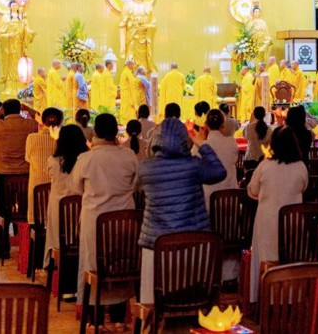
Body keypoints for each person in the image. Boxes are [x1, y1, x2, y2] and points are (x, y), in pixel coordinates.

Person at [136, 118, 226, 304]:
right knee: (190, 298)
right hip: (193, 243)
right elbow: (219, 171)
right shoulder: (194, 165)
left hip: (156, 244)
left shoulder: (145, 168)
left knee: (155, 302)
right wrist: (201, 144)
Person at [71, 113, 139, 325]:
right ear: (116, 132)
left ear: (95, 132)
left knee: (93, 267)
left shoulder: (86, 159)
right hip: (125, 222)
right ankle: (119, 318)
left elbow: (76, 187)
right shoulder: (129, 156)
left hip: (94, 222)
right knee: (121, 266)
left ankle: (95, 319)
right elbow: (137, 184)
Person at [247, 128, 308, 303]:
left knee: (266, 258)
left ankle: (266, 298)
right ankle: (291, 297)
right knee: (291, 257)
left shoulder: (265, 166)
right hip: (293, 223)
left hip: (267, 221)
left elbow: (253, 190)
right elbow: (304, 187)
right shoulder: (301, 166)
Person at [0, 99, 40, 257]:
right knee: (26, 212)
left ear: (4, 110)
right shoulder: (29, 125)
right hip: (26, 177)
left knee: (3, 213)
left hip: (4, 177)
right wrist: (29, 110)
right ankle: (28, 249)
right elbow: (41, 120)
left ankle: (3, 248)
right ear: (20, 109)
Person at [45, 125, 88, 269]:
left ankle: (55, 263)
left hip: (58, 213)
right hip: (81, 213)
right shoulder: (85, 161)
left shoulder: (52, 161)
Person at [25, 107, 62, 224]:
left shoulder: (31, 138)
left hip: (36, 191)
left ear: (43, 121)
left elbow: (28, 159)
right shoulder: (62, 140)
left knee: (35, 219)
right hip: (57, 191)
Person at [200, 109, 239, 209]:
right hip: (231, 201)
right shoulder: (232, 142)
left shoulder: (201, 146)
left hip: (208, 204)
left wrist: (202, 139)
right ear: (223, 125)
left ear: (206, 125)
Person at [118, 60, 138, 124]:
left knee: (125, 108)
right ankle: (129, 122)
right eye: (133, 65)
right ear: (129, 65)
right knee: (129, 109)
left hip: (125, 94)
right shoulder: (127, 72)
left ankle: (124, 122)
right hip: (128, 95)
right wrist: (136, 77)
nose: (133, 66)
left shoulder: (124, 72)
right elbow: (133, 83)